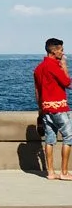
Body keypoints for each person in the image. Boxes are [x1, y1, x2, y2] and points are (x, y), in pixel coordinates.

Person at [35, 38, 71, 181]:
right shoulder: (54, 66)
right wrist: (64, 65)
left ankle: (50, 172)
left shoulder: (39, 68)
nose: (63, 52)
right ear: (54, 50)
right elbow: (68, 82)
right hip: (59, 107)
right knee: (69, 137)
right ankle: (64, 172)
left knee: (50, 140)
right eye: (61, 50)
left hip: (46, 109)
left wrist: (40, 110)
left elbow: (37, 92)